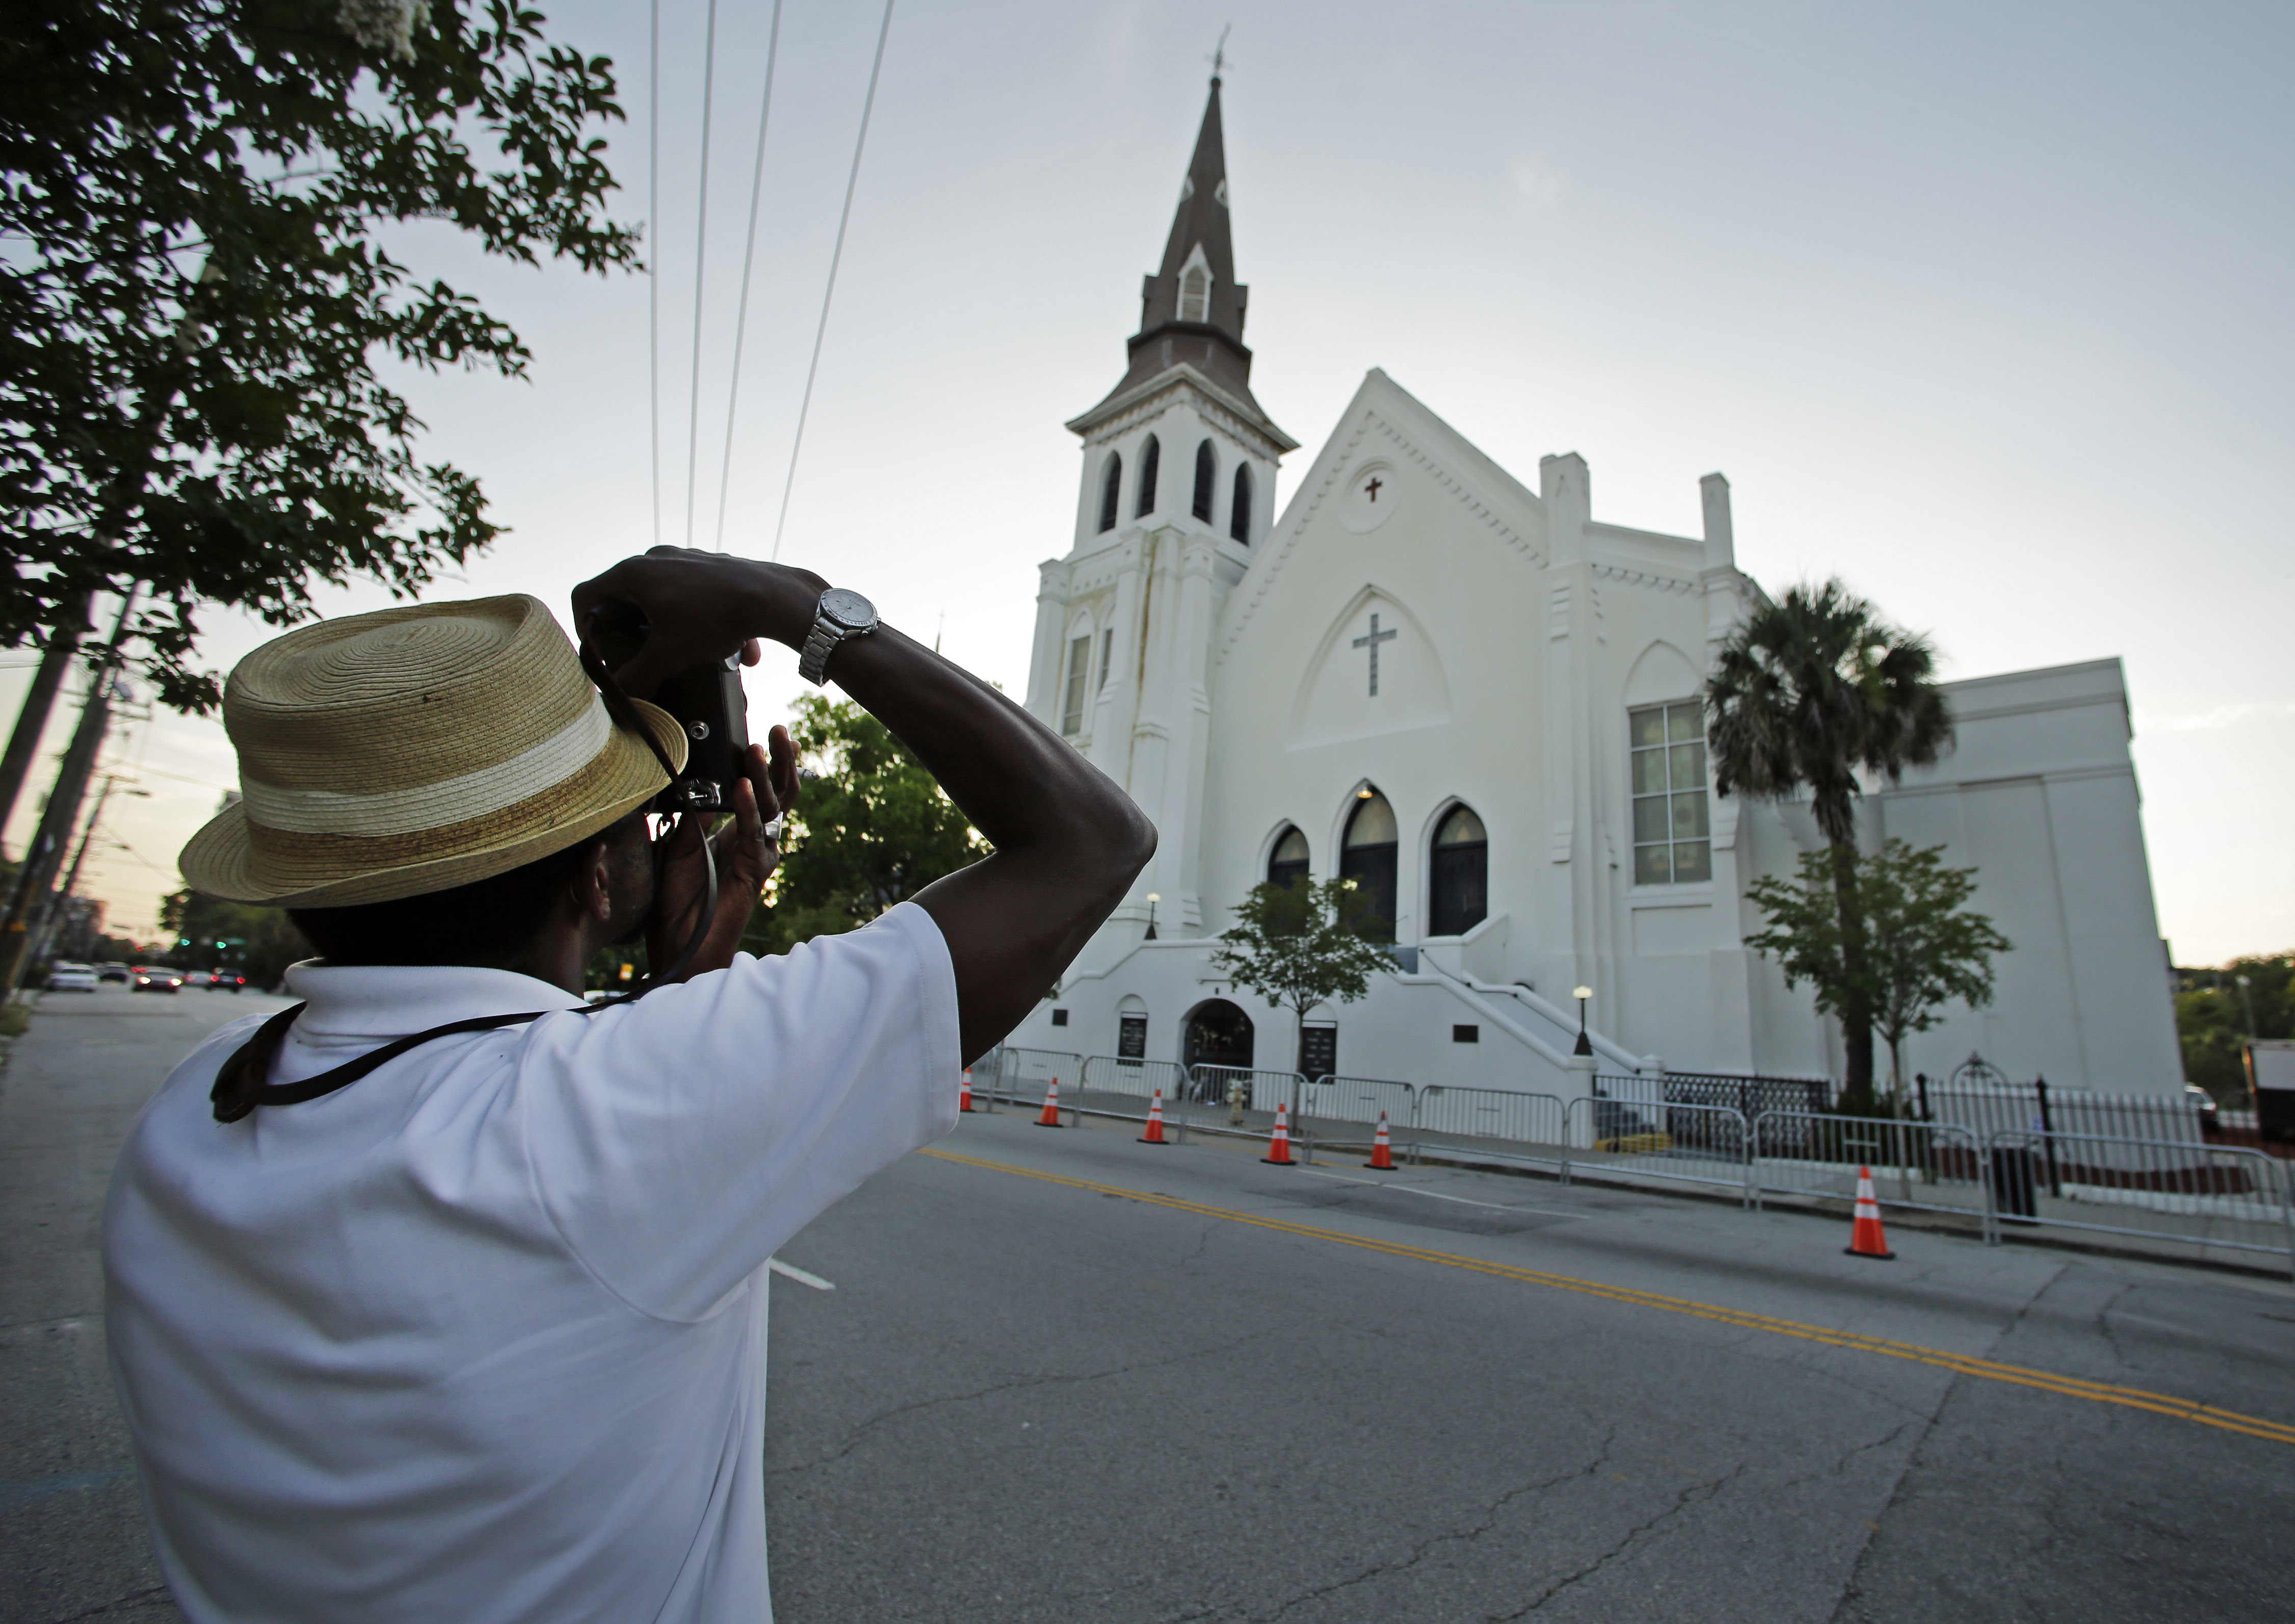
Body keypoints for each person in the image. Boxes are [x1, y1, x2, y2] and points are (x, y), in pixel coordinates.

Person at [102, 550, 1154, 1623]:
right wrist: (791, 605)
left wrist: (678, 985)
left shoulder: (195, 1108)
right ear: (600, 876)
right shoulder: (588, 1115)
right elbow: (1093, 842)